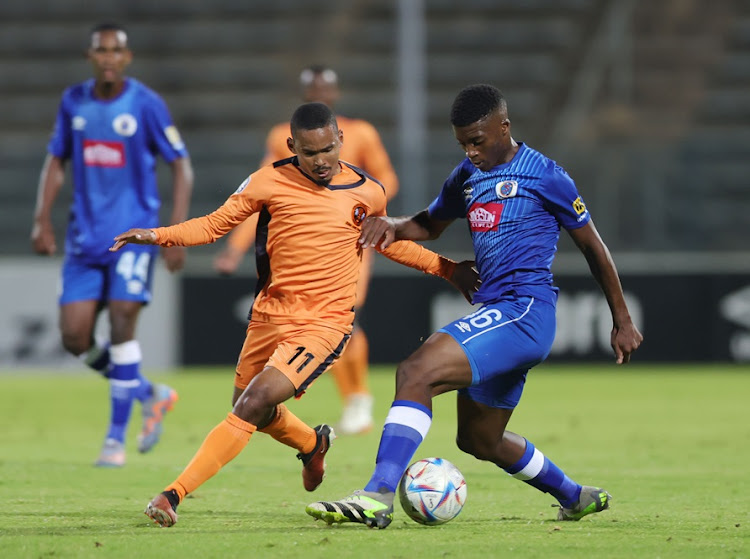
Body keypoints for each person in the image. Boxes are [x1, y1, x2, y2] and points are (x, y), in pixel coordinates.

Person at [110, 102, 478, 528]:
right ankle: (312, 442)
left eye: (327, 149)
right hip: (269, 313)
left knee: (253, 403)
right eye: (309, 152)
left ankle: (173, 493)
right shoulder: (269, 180)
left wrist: (447, 269)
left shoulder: (368, 191)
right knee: (250, 408)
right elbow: (214, 225)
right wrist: (157, 235)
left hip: (324, 322)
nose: (321, 161)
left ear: (340, 139)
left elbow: (389, 242)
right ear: (292, 146)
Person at [306, 84, 644, 529]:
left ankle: (378, 493)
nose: (471, 151)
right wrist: (391, 225)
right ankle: (573, 495)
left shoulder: (545, 175)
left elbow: (593, 247)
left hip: (524, 310)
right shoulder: (467, 174)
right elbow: (430, 224)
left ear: (504, 127)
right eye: (463, 142)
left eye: (478, 141)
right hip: (501, 311)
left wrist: (622, 319)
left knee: (415, 372)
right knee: (480, 439)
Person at [30, 23, 194, 468]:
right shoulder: (74, 101)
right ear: (90, 56)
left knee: (123, 323)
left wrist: (174, 231)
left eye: (115, 51)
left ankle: (114, 441)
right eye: (100, 50)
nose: (107, 57)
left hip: (133, 238)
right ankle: (149, 393)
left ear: (127, 57)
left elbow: (182, 166)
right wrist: (42, 218)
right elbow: (56, 160)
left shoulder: (145, 103)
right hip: (85, 241)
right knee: (74, 338)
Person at [213, 65, 399, 436]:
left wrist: (359, 212)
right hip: (299, 247)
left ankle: (359, 399)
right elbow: (262, 197)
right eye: (311, 88)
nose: (318, 94)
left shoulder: (360, 133)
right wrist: (235, 247)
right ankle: (347, 402)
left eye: (324, 88)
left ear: (335, 93)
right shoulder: (283, 136)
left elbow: (387, 179)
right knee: (316, 327)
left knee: (347, 318)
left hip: (348, 243)